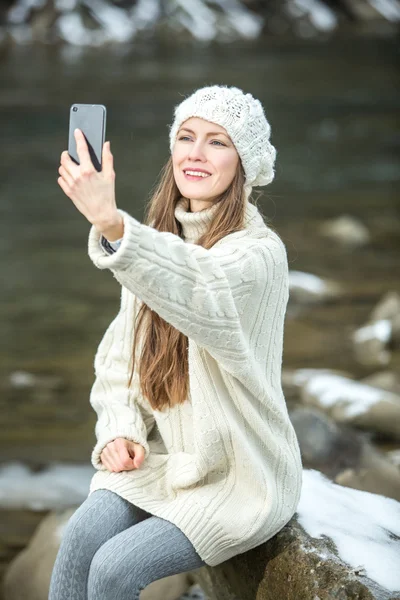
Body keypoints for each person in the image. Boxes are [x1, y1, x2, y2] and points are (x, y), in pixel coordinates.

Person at [50, 85, 303, 600]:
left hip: (241, 474)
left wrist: (112, 224)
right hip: (167, 457)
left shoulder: (259, 255)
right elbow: (121, 358)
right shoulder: (162, 239)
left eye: (217, 142)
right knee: (78, 539)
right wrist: (121, 430)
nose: (195, 152)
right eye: (186, 137)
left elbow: (201, 288)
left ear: (244, 163)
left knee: (115, 570)